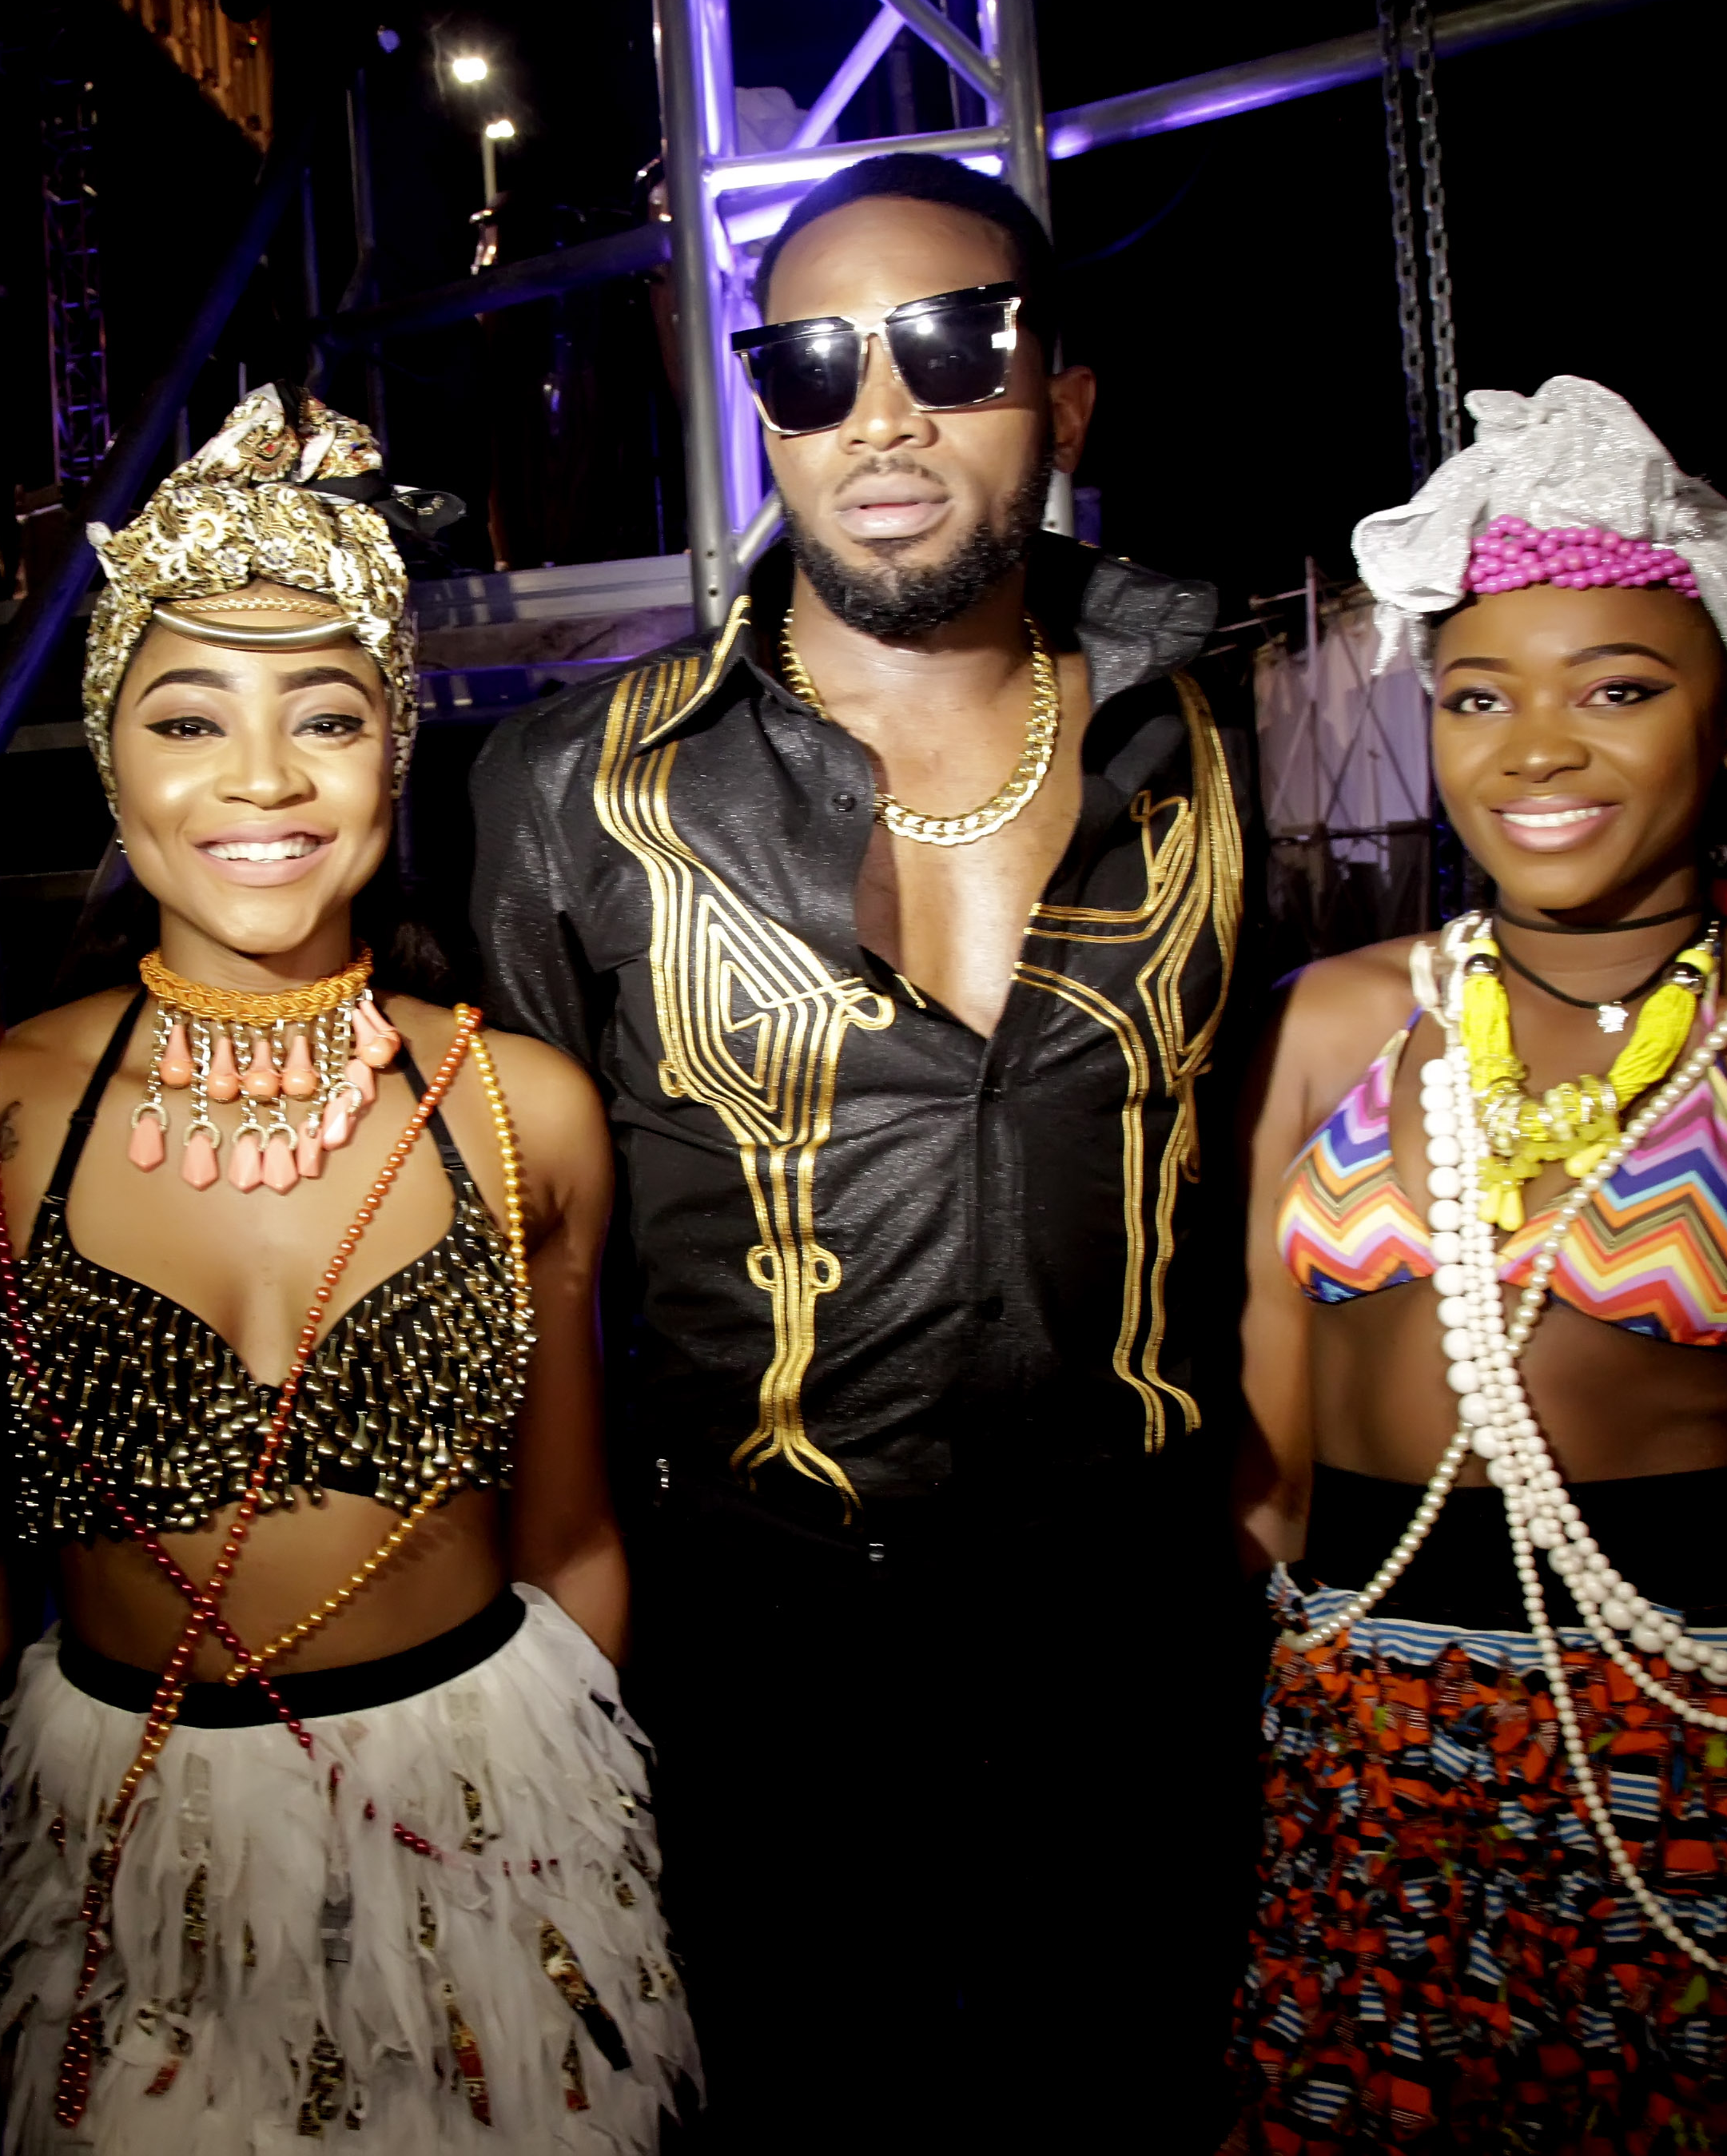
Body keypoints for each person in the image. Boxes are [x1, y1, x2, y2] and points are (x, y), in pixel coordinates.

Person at [468, 153, 1263, 2145]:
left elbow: (1294, 1144)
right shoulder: (572, 785)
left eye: (953, 345)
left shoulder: (1222, 733)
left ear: (1063, 398)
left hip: (1144, 1647)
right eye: (814, 363)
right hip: (763, 1661)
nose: (882, 413)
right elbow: (521, 1238)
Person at [1228, 378, 1727, 2150]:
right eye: (1475, 695)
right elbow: (1263, 1470)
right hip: (1367, 1774)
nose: (1536, 749)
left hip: (1719, 1784)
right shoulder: (1343, 1014)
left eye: (1618, 688)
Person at [0, 386, 696, 2150]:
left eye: (325, 717)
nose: (263, 780)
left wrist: (567, 1871)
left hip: (485, 1819)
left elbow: (573, 1543)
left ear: (394, 755)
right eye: (191, 718)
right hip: (122, 1835)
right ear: (115, 761)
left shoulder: (519, 1104)